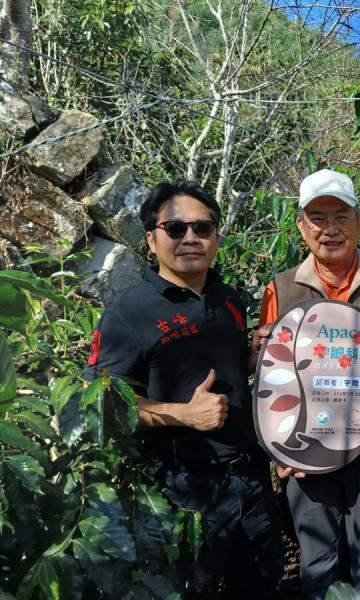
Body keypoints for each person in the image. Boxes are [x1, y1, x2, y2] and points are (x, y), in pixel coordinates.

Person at [84, 180, 282, 597]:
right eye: (175, 229)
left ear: (216, 236)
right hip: (184, 491)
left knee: (262, 584)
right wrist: (182, 414)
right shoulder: (127, 315)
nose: (190, 238)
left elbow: (215, 367)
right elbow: (101, 407)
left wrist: (248, 361)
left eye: (203, 228)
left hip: (251, 478)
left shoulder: (228, 298)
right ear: (151, 241)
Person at [257, 169, 360, 600]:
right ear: (301, 227)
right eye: (318, 218)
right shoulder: (282, 289)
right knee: (317, 561)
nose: (330, 230)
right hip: (306, 452)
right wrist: (278, 448)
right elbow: (268, 377)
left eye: (341, 217)